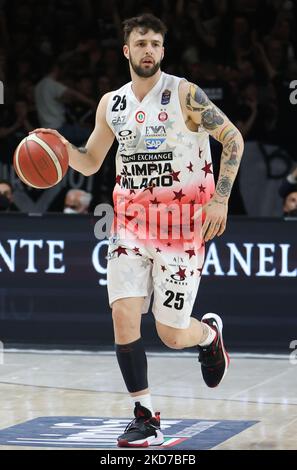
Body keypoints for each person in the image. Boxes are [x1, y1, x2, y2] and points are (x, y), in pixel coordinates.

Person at [31, 13, 244, 448]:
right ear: (126, 51)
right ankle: (145, 414)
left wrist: (220, 199)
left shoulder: (185, 94)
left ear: (163, 51)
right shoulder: (112, 104)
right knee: (123, 315)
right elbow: (90, 160)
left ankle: (208, 336)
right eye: (140, 43)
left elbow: (233, 139)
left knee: (170, 333)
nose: (148, 50)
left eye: (155, 43)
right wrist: (59, 147)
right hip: (128, 227)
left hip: (183, 228)